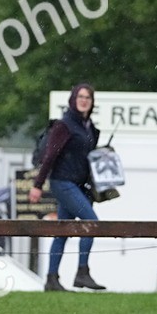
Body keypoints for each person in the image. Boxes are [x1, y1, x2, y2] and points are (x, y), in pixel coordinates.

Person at [28, 83, 107, 292]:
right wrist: (38, 185)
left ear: (92, 102)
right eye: (80, 96)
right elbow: (50, 156)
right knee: (92, 223)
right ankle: (82, 273)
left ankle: (51, 279)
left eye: (88, 97)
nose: (84, 101)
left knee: (61, 231)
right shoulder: (64, 125)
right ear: (73, 99)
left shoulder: (88, 127)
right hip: (62, 182)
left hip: (79, 185)